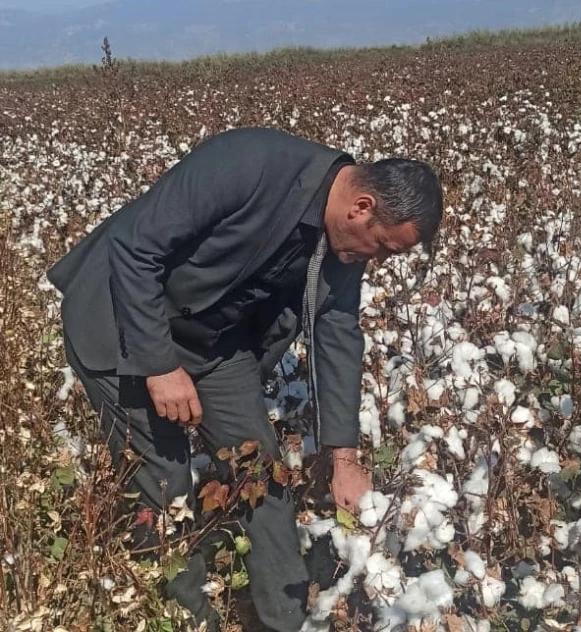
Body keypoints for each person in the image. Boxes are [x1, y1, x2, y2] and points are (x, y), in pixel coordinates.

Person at [47, 126, 443, 631]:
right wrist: (160, 365)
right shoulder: (249, 163)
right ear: (361, 207)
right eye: (385, 247)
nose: (379, 261)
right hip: (121, 325)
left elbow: (337, 329)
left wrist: (342, 457)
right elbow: (133, 246)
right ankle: (188, 620)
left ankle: (286, 621)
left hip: (213, 342)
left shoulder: (345, 242)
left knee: (263, 478)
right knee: (164, 491)